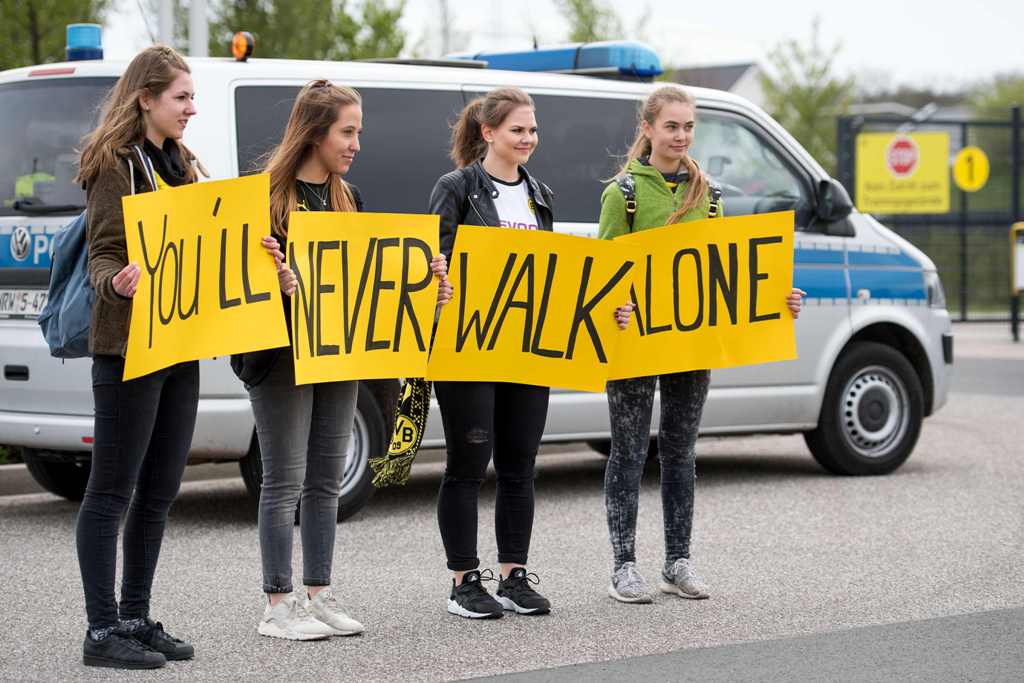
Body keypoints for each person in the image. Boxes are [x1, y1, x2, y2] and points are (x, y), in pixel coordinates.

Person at [231, 80, 451, 640]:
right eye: (346, 132)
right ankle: (277, 605)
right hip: (280, 356)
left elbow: (369, 283)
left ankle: (318, 595)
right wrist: (275, 281)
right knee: (284, 479)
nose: (356, 144)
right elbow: (236, 281)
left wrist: (426, 284)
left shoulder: (348, 199)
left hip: (338, 352)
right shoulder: (264, 199)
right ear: (314, 132)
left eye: (358, 133)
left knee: (326, 478)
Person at [428, 87, 633, 619]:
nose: (528, 139)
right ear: (488, 132)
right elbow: (435, 260)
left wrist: (605, 307)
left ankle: (513, 575)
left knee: (520, 464)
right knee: (468, 463)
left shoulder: (539, 193)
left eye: (533, 130)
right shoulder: (456, 188)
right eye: (518, 129)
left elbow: (551, 277)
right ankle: (463, 581)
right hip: (468, 348)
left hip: (525, 352)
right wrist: (439, 278)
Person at [598, 85, 805, 604]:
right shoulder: (622, 194)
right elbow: (599, 273)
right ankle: (623, 567)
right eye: (672, 125)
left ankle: (677, 562)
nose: (681, 135)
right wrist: (614, 306)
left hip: (692, 343)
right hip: (635, 342)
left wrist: (779, 300)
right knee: (627, 451)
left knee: (681, 451)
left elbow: (724, 272)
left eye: (689, 126)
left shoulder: (709, 193)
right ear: (647, 128)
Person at [75, 45, 202, 669]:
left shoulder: (184, 164)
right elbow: (101, 253)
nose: (191, 108)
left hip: (181, 344)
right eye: (181, 97)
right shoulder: (115, 165)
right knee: (112, 491)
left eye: (191, 97)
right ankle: (102, 631)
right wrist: (113, 283)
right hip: (128, 347)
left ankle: (135, 615)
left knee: (159, 491)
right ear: (146, 98)